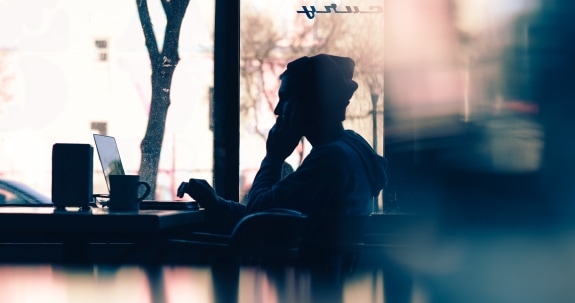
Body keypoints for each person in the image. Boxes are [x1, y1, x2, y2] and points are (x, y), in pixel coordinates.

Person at [177, 54, 388, 234]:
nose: (278, 110)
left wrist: (273, 158)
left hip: (301, 278)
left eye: (285, 98)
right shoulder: (350, 147)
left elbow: (256, 219)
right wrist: (216, 204)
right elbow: (271, 212)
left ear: (310, 102)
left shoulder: (329, 160)